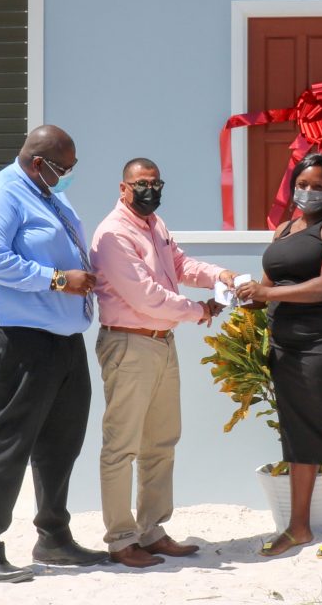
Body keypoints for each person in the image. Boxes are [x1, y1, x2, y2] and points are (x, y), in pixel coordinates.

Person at [0, 125, 108, 584]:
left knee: (61, 440)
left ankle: (54, 537)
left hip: (60, 338)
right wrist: (59, 279)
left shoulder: (48, 194)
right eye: (65, 168)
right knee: (8, 442)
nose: (70, 175)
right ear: (38, 163)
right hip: (12, 336)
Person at [89, 157, 239, 568]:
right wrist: (200, 311)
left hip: (161, 342)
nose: (149, 190)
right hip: (129, 344)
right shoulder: (114, 235)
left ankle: (151, 531)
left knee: (160, 443)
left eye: (155, 182)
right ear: (123, 188)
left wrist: (218, 276)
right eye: (141, 183)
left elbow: (180, 265)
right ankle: (121, 540)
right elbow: (147, 296)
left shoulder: (155, 225)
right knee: (121, 446)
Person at [237, 152, 322, 559]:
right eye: (303, 184)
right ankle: (298, 528)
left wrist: (268, 294)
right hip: (284, 345)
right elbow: (268, 284)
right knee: (295, 432)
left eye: (318, 186)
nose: (308, 192)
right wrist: (248, 298)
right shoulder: (283, 229)